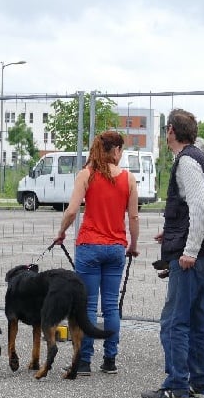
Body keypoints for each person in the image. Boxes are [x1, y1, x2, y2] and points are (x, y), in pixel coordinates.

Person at [141, 109, 204, 398]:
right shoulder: (198, 157)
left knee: (174, 321)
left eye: (164, 129)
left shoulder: (188, 162)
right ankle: (200, 383)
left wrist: (189, 250)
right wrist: (170, 234)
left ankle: (177, 385)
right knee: (198, 319)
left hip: (194, 257)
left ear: (170, 130)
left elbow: (200, 206)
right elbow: (190, 210)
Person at [55, 130, 140, 375]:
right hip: (115, 247)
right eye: (121, 151)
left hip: (89, 246)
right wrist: (133, 245)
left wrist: (61, 232)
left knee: (88, 305)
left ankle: (84, 361)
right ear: (115, 151)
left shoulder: (86, 174)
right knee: (111, 305)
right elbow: (133, 216)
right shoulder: (128, 179)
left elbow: (72, 211)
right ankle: (110, 360)